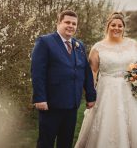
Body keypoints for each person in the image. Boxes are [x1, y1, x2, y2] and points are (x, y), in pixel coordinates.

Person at [31, 10, 96, 148]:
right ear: (59, 23)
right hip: (51, 104)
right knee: (46, 142)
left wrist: (91, 96)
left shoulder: (79, 45)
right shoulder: (45, 42)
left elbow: (86, 72)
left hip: (72, 104)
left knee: (66, 142)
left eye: (74, 23)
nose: (71, 26)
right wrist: (40, 98)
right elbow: (38, 72)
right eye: (67, 22)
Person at [75, 12, 137, 148]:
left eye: (120, 26)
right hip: (107, 90)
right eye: (113, 25)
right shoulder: (98, 48)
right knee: (107, 122)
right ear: (108, 26)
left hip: (129, 91)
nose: (116, 28)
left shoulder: (133, 44)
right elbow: (92, 72)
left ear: (124, 28)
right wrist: (90, 93)